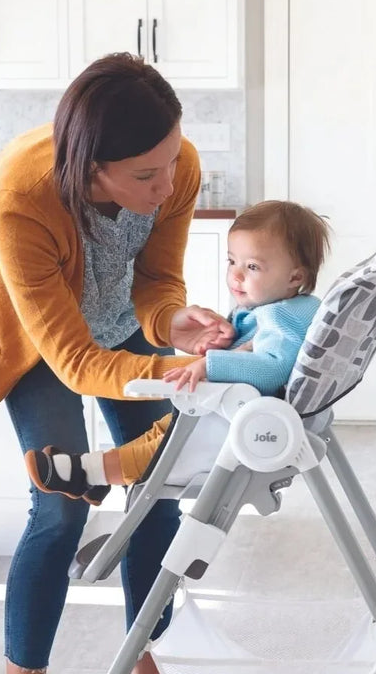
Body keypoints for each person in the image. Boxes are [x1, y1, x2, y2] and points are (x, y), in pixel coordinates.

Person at [0, 53, 236, 674]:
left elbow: (156, 280)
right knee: (58, 510)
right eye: (146, 175)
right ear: (91, 169)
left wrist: (173, 324)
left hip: (121, 328)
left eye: (172, 161)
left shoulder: (172, 167)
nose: (168, 183)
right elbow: (75, 362)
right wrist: (174, 374)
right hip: (37, 342)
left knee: (159, 500)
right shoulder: (21, 195)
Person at [25, 200, 332, 497]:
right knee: (163, 431)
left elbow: (273, 367)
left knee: (165, 448)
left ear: (295, 277)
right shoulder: (276, 309)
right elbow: (255, 349)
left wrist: (210, 364)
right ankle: (93, 475)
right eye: (232, 261)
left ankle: (86, 472)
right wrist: (222, 342)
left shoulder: (283, 315)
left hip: (233, 420)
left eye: (252, 266)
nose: (236, 275)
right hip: (224, 410)